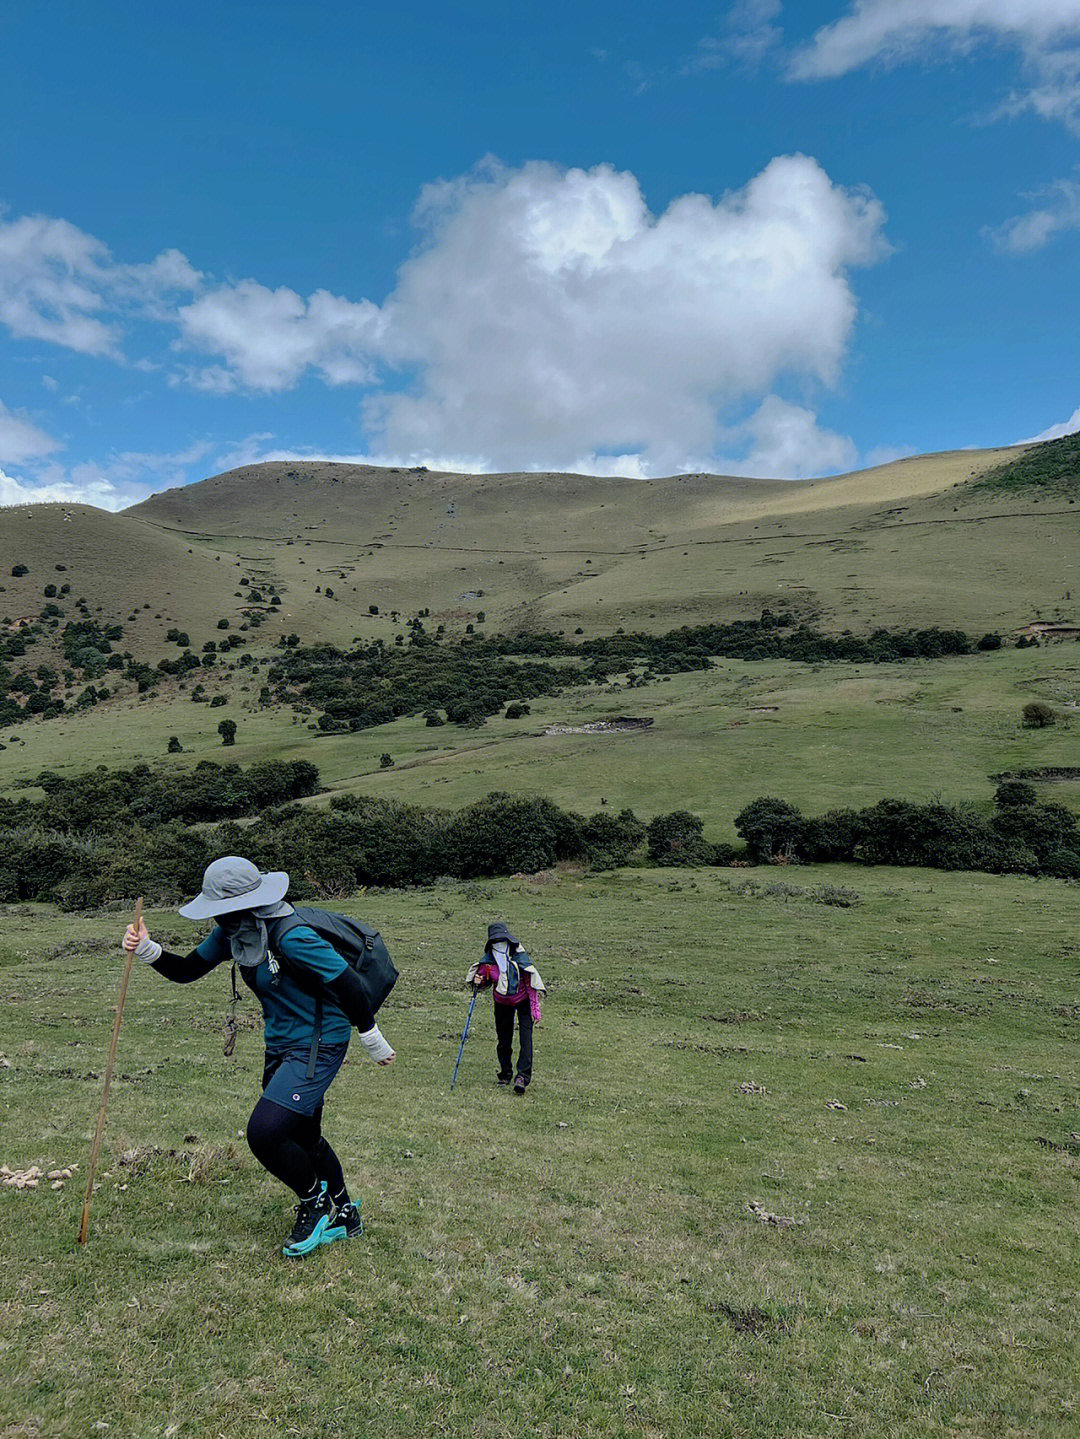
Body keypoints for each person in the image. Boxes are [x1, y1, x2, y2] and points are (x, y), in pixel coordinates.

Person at [122, 856, 395, 1258]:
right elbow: (186, 970)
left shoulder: (290, 935)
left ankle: (314, 1202)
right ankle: (346, 1215)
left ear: (243, 902)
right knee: (304, 1136)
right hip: (281, 1045)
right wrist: (146, 948)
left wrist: (372, 1038)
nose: (214, 915)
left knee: (264, 1133)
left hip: (319, 1044)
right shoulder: (234, 931)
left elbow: (349, 983)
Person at [466, 921, 545, 1094]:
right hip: (501, 1002)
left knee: (526, 1039)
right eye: (495, 941)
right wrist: (479, 981)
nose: (499, 944)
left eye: (502, 940)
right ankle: (505, 1073)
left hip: (523, 1000)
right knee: (503, 1040)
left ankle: (522, 1077)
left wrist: (534, 1008)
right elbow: (485, 980)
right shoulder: (488, 962)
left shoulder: (519, 956)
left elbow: (531, 982)